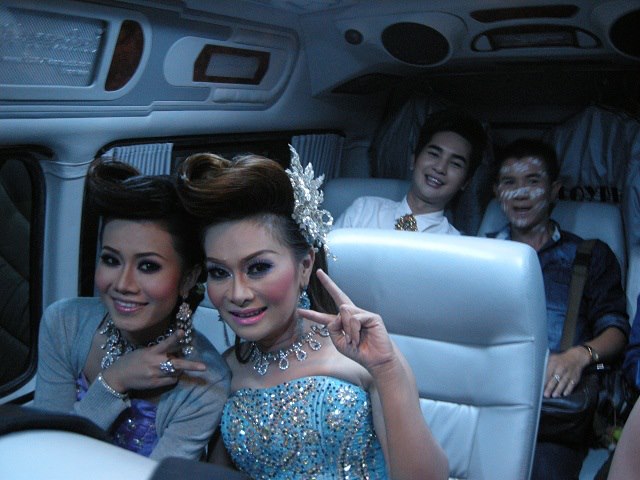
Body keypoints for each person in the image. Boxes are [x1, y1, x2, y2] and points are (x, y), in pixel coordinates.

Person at [176, 147, 449, 479]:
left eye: (258, 268)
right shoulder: (225, 370)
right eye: (219, 273)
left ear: (305, 266)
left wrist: (387, 369)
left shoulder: (367, 357)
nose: (237, 293)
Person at [33, 159, 231, 460]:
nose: (123, 284)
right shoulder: (64, 323)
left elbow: (162, 476)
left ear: (188, 278)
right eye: (111, 260)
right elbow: (43, 452)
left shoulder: (205, 380)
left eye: (148, 266)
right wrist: (114, 381)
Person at [485, 138, 629, 480]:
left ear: (554, 191)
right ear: (497, 192)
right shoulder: (479, 253)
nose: (521, 193)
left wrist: (579, 356)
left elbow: (617, 329)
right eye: (509, 182)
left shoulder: (589, 255)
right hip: (488, 398)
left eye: (533, 181)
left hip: (554, 414)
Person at [334, 109, 486, 234]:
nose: (440, 168)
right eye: (434, 154)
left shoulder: (456, 246)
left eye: (455, 164)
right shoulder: (364, 211)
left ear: (466, 182)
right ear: (413, 160)